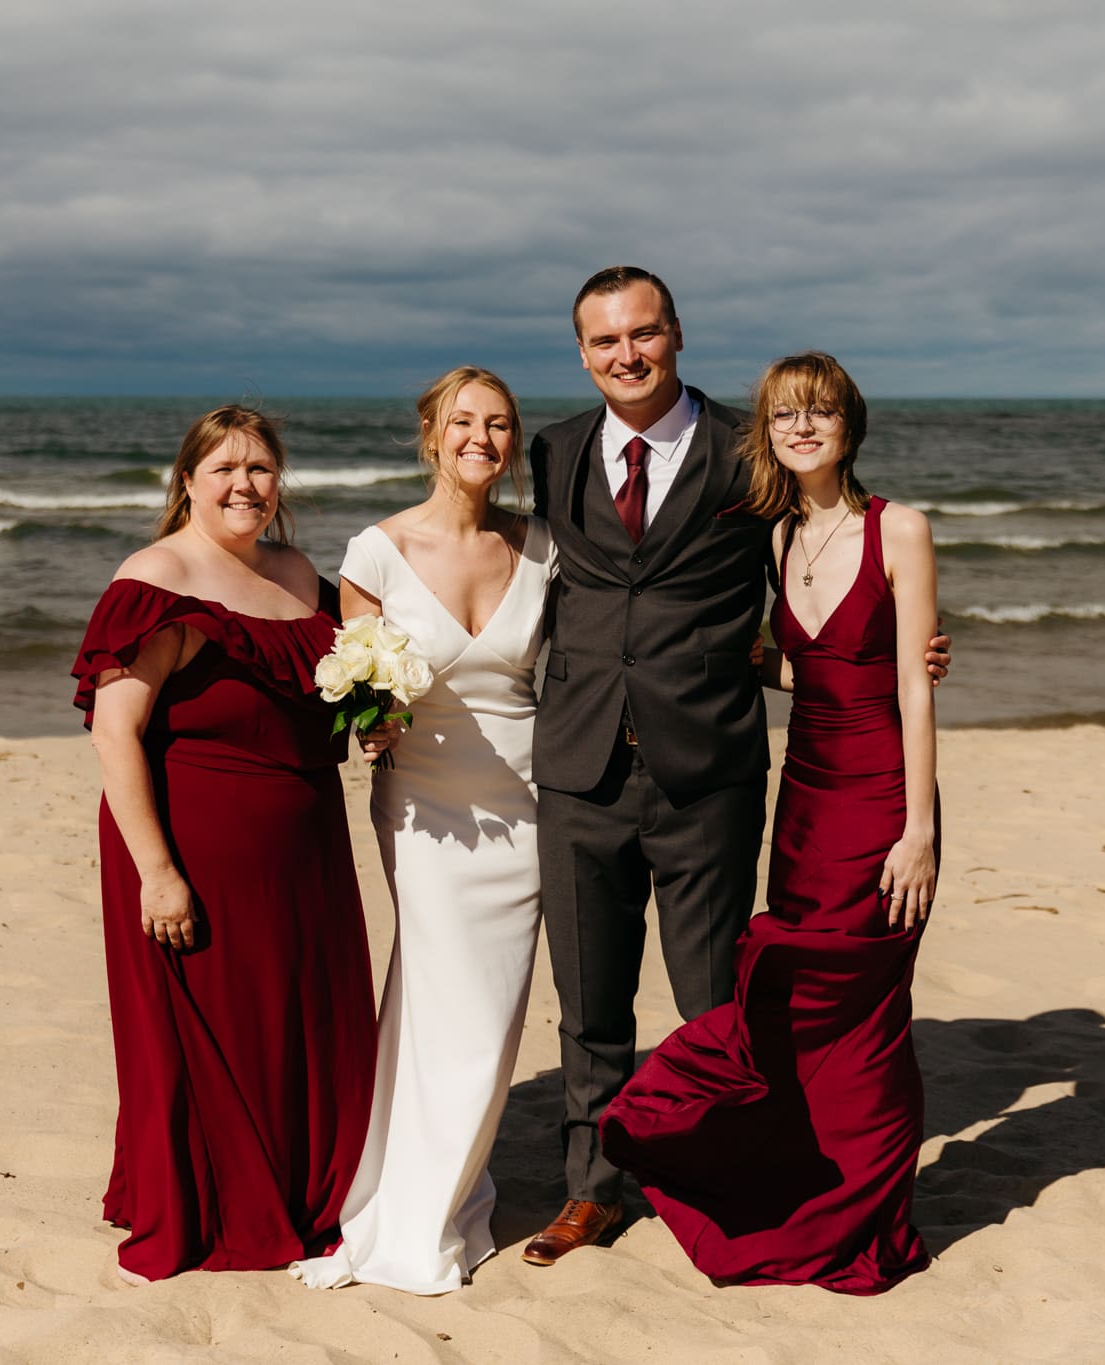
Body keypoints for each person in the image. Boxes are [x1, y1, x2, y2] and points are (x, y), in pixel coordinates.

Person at [522, 268, 951, 1265]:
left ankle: (721, 1174)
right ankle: (591, 1191)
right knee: (587, 999)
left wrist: (901, 649)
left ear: (674, 333)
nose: (624, 354)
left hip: (704, 769)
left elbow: (823, 565)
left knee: (713, 994)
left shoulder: (744, 453)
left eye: (641, 333)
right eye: (602, 341)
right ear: (580, 353)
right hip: (577, 761)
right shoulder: (550, 452)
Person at [70, 405, 376, 1282]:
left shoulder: (298, 571)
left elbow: (321, 695)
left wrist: (375, 721)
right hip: (194, 843)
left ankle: (309, 1189)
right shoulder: (157, 576)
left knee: (301, 1020)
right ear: (188, 482)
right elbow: (114, 733)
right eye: (226, 470)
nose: (246, 485)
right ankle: (221, 1204)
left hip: (307, 843)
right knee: (217, 1027)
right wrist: (157, 872)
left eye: (262, 470)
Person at [290, 367, 555, 1294]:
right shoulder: (376, 550)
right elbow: (359, 694)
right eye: (464, 422)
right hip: (425, 806)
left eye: (499, 424)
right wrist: (373, 722)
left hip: (525, 803)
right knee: (442, 996)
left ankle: (446, 1188)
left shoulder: (541, 547)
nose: (481, 438)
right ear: (431, 433)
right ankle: (412, 1209)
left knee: (492, 1013)